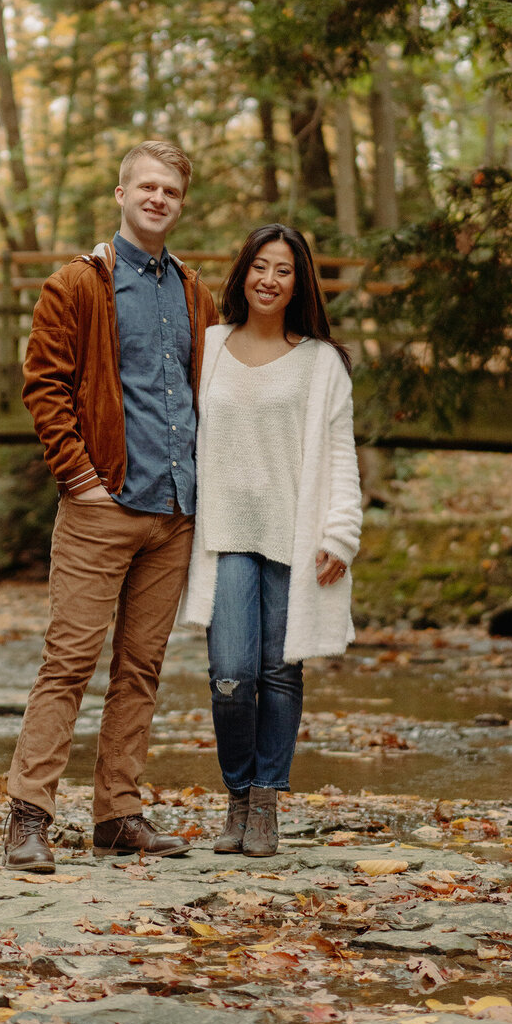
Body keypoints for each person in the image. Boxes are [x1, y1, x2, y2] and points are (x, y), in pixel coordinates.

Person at [4, 140, 219, 872]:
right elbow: (45, 387)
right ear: (121, 194)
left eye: (172, 191)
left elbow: (212, 391)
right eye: (148, 187)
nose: (159, 199)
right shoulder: (77, 285)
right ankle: (29, 817)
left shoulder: (195, 292)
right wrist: (80, 481)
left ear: (180, 204)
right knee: (68, 663)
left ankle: (118, 815)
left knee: (141, 668)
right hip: (102, 506)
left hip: (174, 510)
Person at [184, 225, 363, 857]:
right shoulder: (207, 346)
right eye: (260, 266)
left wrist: (341, 534)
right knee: (230, 676)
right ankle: (236, 791)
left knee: (279, 672)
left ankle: (264, 803)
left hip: (296, 533)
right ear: (242, 274)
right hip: (225, 534)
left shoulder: (322, 363)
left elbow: (341, 454)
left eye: (283, 270)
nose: (269, 279)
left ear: (299, 282)